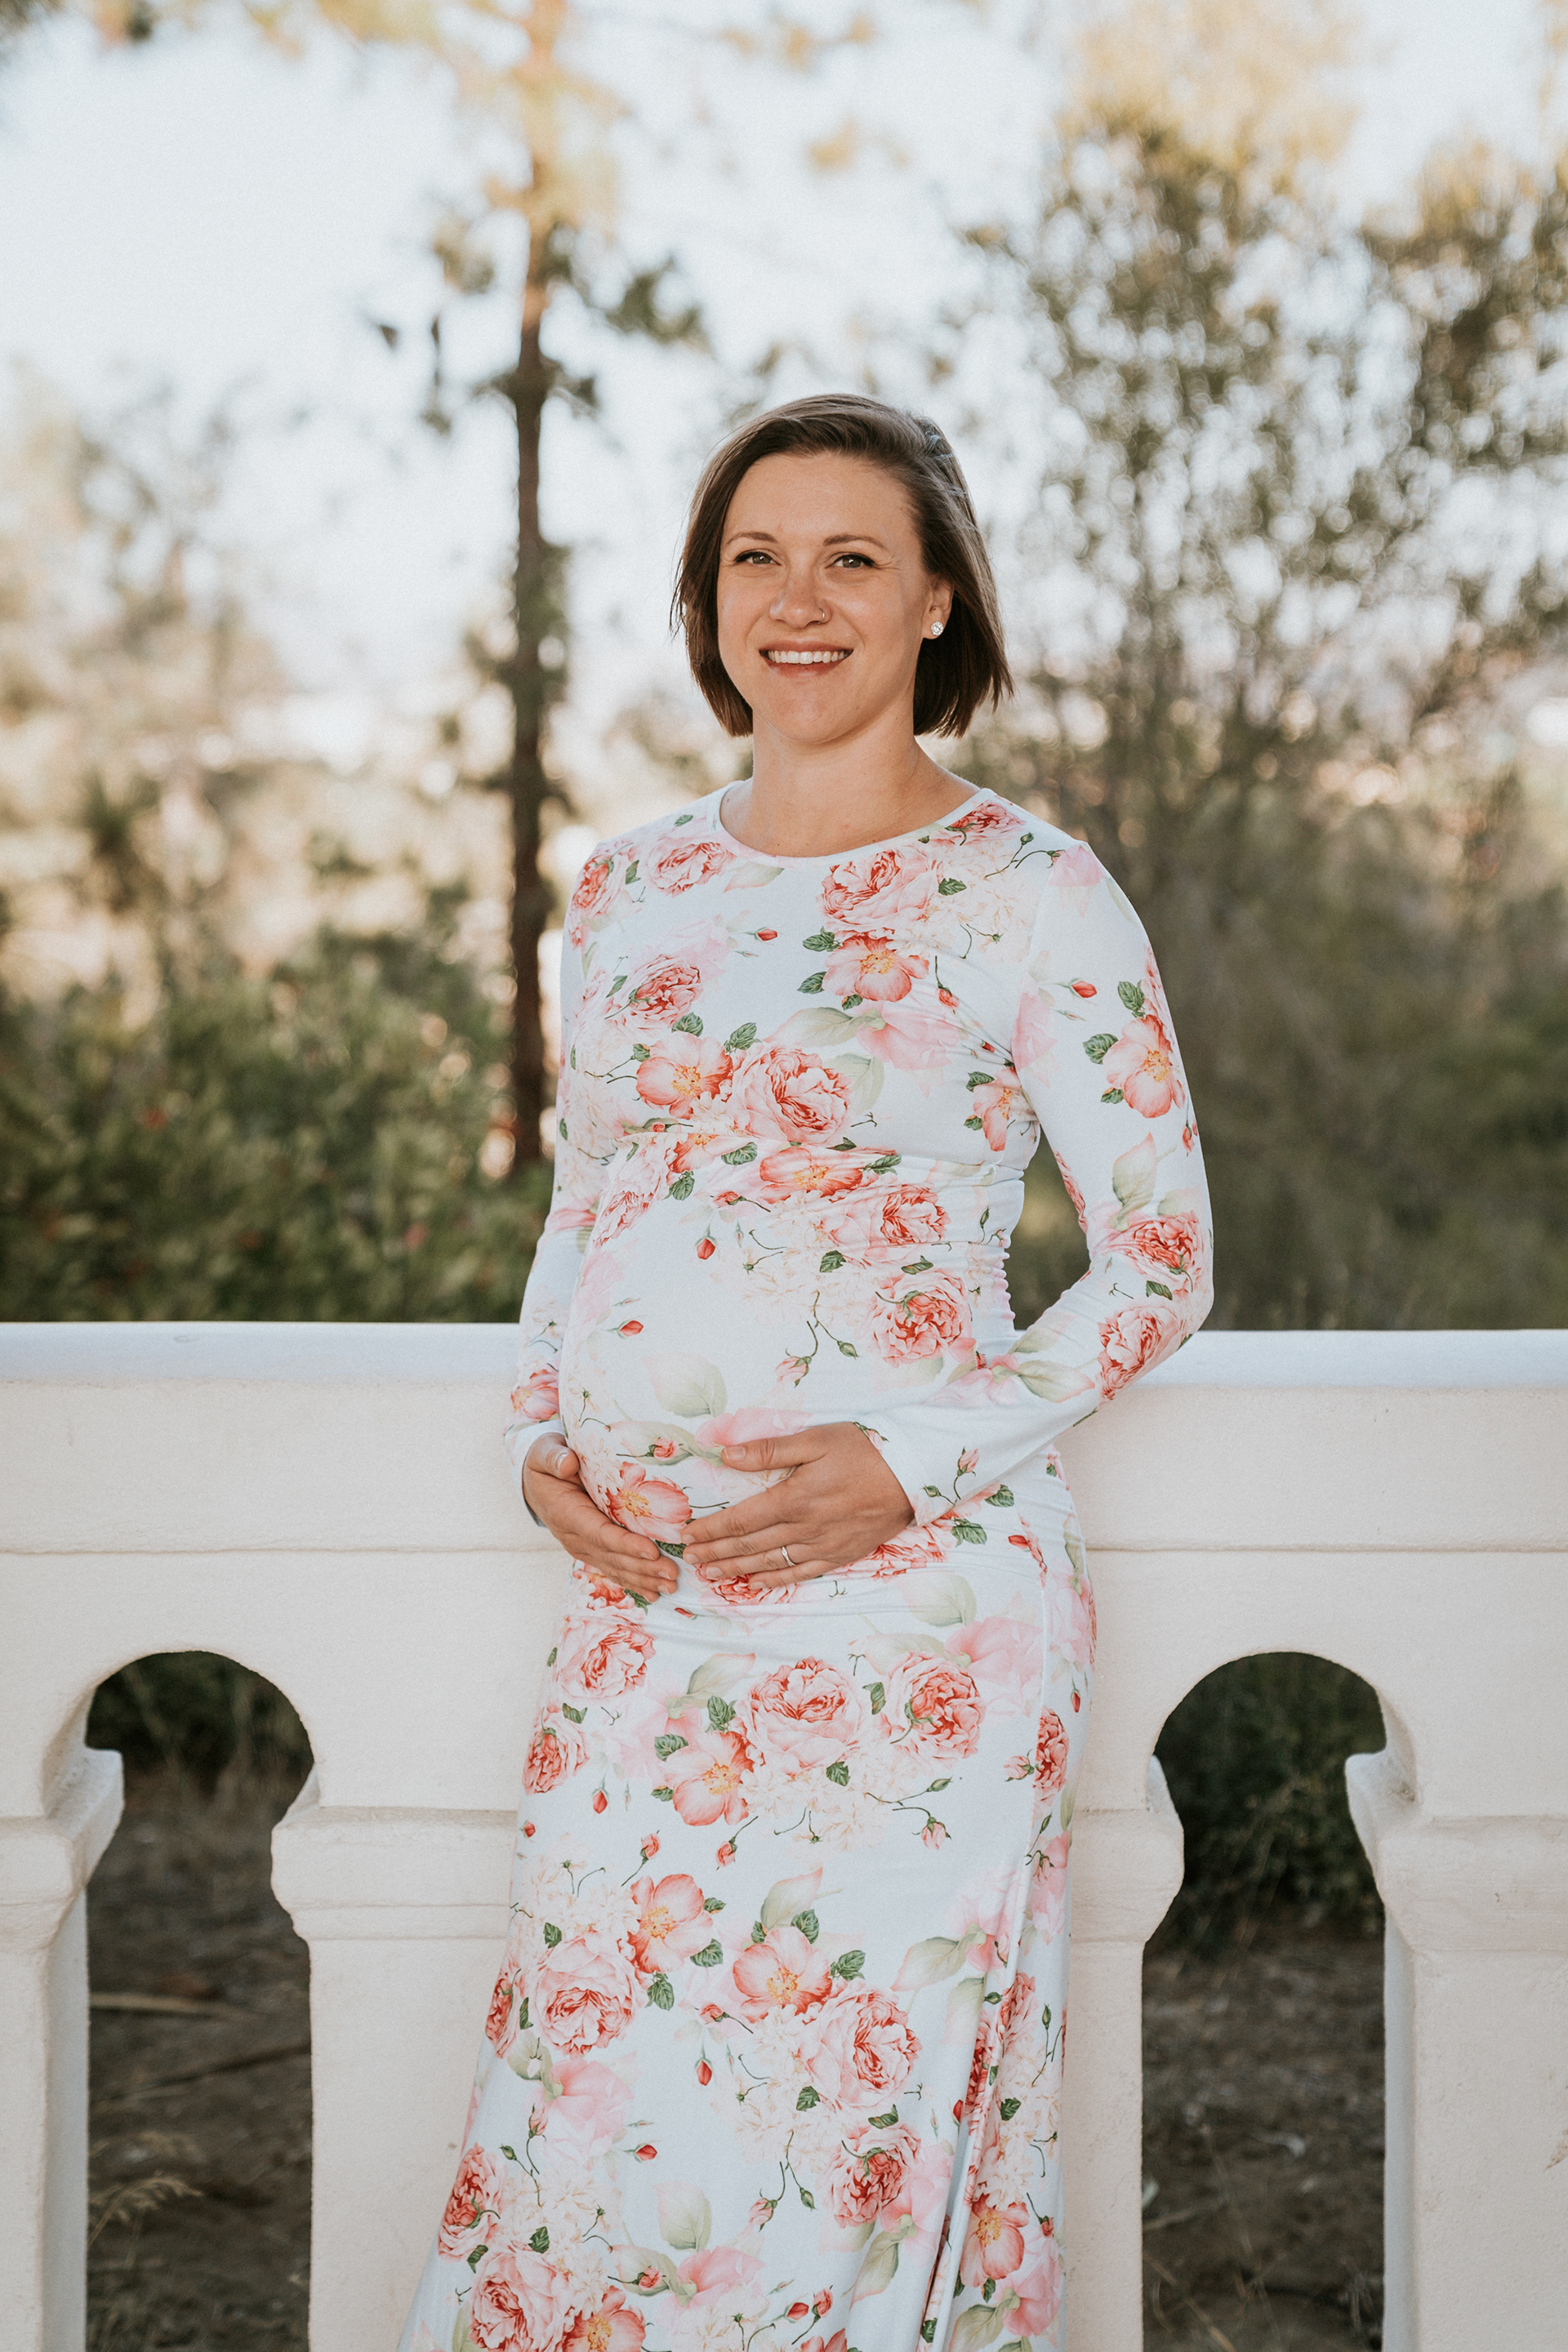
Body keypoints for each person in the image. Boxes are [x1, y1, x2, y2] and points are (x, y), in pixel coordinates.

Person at [397, 393, 1213, 2352]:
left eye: (855, 557)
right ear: (706, 602)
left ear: (938, 600)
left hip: (907, 1623)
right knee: (592, 2126)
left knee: (840, 2148)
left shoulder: (1030, 888)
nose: (800, 598)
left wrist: (907, 1462)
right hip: (646, 1610)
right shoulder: (632, 889)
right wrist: (538, 1437)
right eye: (756, 557)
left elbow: (1162, 1262)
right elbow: (592, 1196)